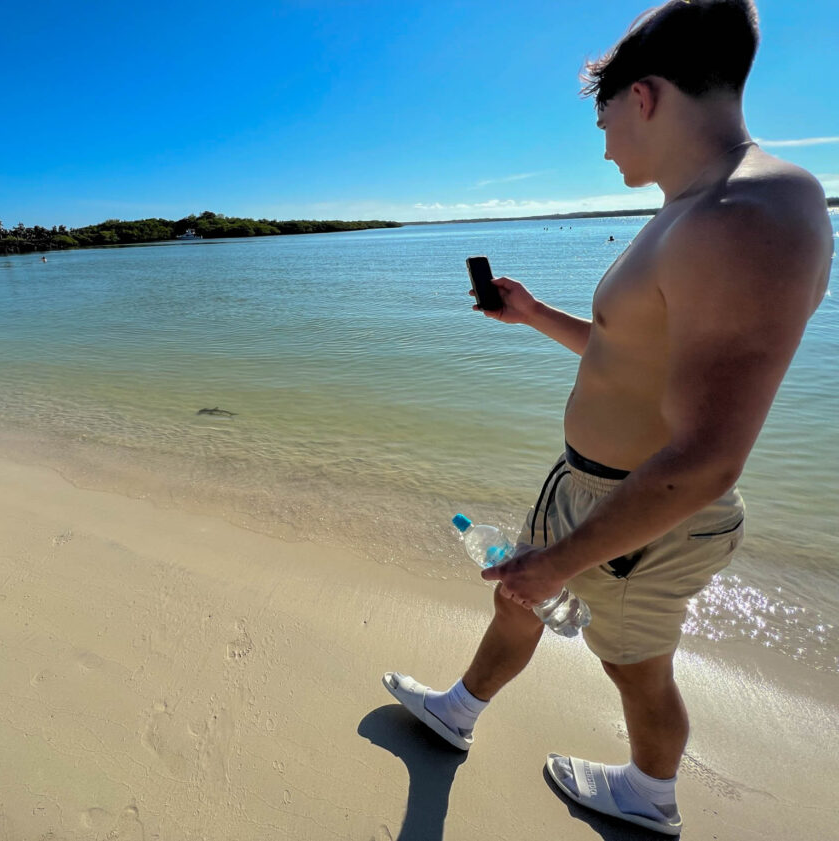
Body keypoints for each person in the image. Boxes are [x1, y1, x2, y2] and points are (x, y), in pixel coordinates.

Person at [382, 0, 832, 836]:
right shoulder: (694, 208)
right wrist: (533, 313)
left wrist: (562, 561)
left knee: (635, 668)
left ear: (645, 96)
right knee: (515, 598)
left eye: (603, 115)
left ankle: (649, 795)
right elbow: (629, 352)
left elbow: (706, 460)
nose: (602, 140)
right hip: (587, 484)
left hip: (645, 514)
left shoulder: (750, 212)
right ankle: (458, 709)